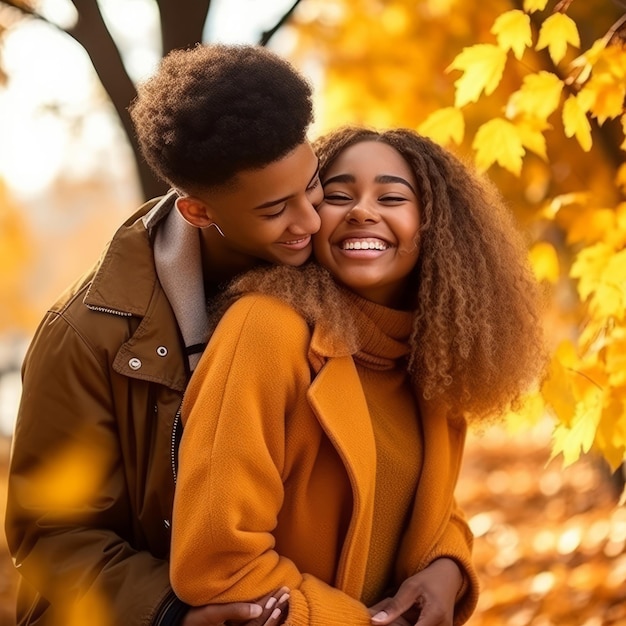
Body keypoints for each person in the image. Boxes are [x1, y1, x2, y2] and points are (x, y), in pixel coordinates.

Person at [169, 126, 547, 626]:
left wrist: (447, 569)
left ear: (435, 225)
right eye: (338, 196)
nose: (361, 211)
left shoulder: (432, 354)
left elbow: (425, 506)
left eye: (391, 197)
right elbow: (216, 561)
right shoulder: (265, 329)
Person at [4, 43, 324, 626]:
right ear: (200, 213)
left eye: (313, 185)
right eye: (277, 208)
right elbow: (52, 533)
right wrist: (170, 614)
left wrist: (442, 558)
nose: (309, 219)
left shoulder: (331, 267)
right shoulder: (82, 336)